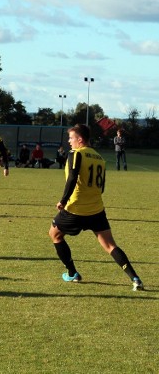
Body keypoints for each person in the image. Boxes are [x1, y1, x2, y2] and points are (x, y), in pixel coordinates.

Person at [48, 124, 143, 291]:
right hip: (97, 209)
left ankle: (72, 273)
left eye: (71, 138)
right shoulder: (99, 157)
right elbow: (102, 187)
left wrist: (63, 201)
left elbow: (72, 178)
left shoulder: (76, 154)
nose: (69, 141)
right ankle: (135, 279)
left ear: (80, 139)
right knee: (110, 245)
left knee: (54, 234)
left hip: (75, 208)